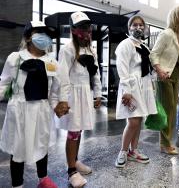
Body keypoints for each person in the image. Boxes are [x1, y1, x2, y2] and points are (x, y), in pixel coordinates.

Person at [0, 21, 60, 188]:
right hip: (19, 109)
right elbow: (4, 83)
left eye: (46, 34)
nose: (44, 37)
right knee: (17, 148)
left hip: (42, 109)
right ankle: (17, 184)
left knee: (42, 143)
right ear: (27, 37)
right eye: (39, 33)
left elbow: (54, 90)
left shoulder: (52, 62)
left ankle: (43, 179)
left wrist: (57, 105)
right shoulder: (15, 58)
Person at [56, 12, 102, 187]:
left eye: (88, 27)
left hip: (86, 93)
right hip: (73, 96)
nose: (87, 31)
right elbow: (62, 77)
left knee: (79, 130)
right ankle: (71, 171)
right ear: (74, 30)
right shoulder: (67, 50)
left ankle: (75, 161)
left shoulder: (91, 50)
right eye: (82, 27)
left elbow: (95, 73)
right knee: (73, 132)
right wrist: (63, 100)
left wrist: (98, 93)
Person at [114, 15, 157, 168]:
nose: (138, 28)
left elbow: (148, 67)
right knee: (133, 121)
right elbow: (122, 68)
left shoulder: (143, 46)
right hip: (131, 86)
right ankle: (123, 151)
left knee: (139, 120)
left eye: (141, 25)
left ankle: (134, 150)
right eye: (135, 25)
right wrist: (126, 90)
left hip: (143, 85)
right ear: (129, 27)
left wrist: (152, 83)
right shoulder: (125, 45)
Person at [150, 5, 179, 155]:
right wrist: (159, 70)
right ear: (175, 17)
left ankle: (166, 141)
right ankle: (165, 143)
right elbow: (154, 54)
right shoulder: (166, 34)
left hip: (176, 75)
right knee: (168, 110)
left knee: (173, 109)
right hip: (164, 75)